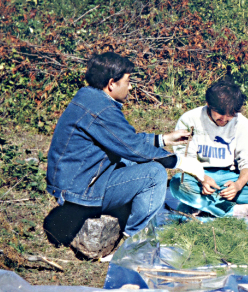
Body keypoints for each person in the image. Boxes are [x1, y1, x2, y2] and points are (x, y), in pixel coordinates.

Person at [46, 52, 192, 236]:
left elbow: (123, 141)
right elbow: (134, 148)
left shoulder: (89, 97)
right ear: (111, 84)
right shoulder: (103, 109)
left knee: (134, 161)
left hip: (73, 182)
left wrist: (163, 139)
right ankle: (136, 236)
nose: (130, 87)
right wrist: (180, 162)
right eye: (128, 81)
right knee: (154, 174)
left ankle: (124, 218)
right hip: (79, 191)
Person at [170, 78, 248, 217]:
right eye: (220, 114)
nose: (224, 119)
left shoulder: (242, 123)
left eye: (230, 115)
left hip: (230, 176)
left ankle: (201, 204)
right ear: (209, 104)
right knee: (177, 184)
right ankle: (230, 210)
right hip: (198, 175)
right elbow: (185, 158)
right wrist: (202, 177)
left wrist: (238, 185)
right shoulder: (189, 120)